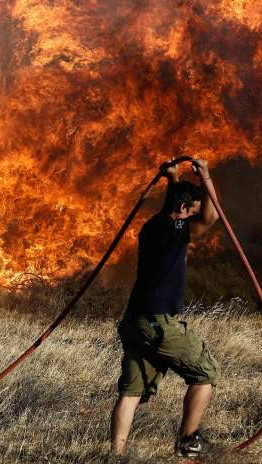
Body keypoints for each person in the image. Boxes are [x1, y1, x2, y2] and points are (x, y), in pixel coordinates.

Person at [110, 158, 221, 459]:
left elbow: (173, 209)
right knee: (206, 374)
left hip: (134, 322)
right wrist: (206, 177)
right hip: (159, 324)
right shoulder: (177, 230)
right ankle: (188, 441)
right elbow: (211, 218)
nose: (195, 216)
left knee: (130, 392)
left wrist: (173, 178)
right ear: (184, 210)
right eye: (192, 210)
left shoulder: (152, 226)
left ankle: (115, 456)